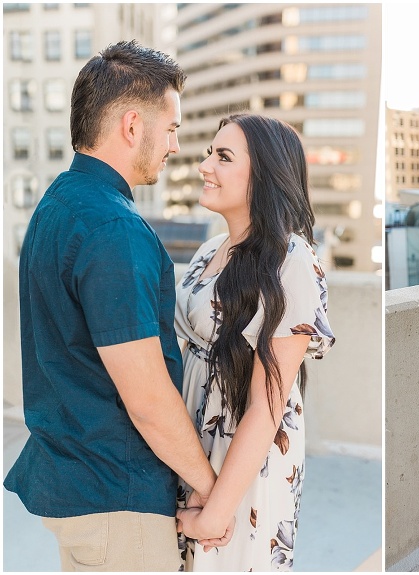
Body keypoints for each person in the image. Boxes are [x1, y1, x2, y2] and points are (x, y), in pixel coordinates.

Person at [4, 40, 232, 571]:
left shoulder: (58, 205)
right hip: (115, 497)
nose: (175, 146)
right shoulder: (114, 230)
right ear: (134, 126)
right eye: (171, 129)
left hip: (77, 486)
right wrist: (209, 487)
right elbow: (147, 398)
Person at [174, 113, 336, 571]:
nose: (206, 165)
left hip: (243, 454)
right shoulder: (211, 249)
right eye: (209, 153)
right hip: (193, 439)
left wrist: (218, 510)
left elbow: (268, 404)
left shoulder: (293, 260)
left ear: (264, 174)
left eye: (223, 156)